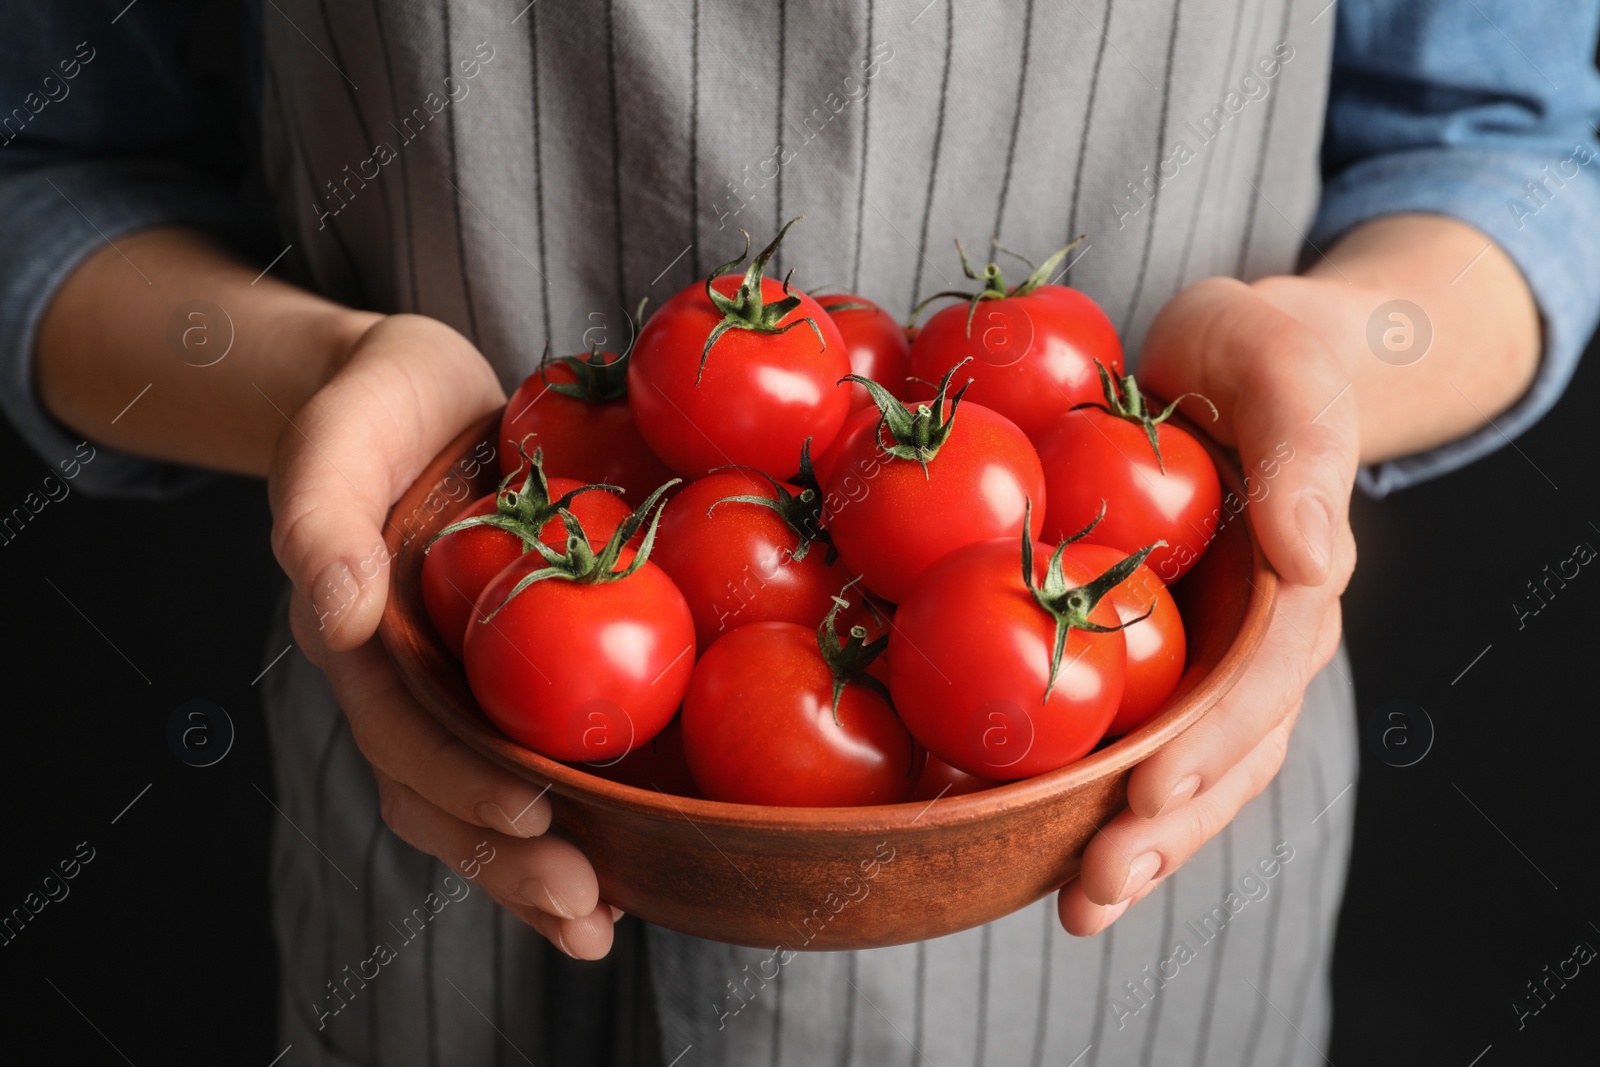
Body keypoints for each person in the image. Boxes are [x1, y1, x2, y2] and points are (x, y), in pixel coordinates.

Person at [3, 1, 1596, 1064]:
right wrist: (314, 388)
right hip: (438, 885)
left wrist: (1332, 362)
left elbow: (1507, 149)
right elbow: (53, 165)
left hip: (1135, 936)